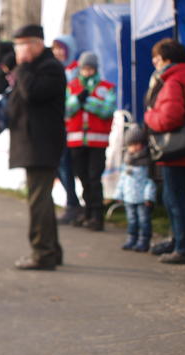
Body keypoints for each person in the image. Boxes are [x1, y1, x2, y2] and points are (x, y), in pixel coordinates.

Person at [0, 24, 65, 270]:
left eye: (22, 46)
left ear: (36, 44)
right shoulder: (35, 67)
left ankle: (42, 253)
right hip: (31, 142)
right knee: (41, 199)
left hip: (41, 143)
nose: (18, 51)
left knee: (39, 201)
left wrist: (23, 67)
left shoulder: (49, 68)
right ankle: (52, 249)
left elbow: (32, 93)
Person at [145, 38, 185, 265]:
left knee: (174, 200)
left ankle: (183, 247)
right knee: (174, 199)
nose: (154, 63)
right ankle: (177, 241)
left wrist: (149, 116)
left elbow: (170, 118)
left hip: (176, 151)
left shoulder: (172, 81)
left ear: (167, 59)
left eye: (157, 58)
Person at [66, 51, 116, 231]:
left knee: (95, 178)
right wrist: (77, 100)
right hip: (76, 141)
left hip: (97, 142)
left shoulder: (106, 87)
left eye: (90, 68)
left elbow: (107, 110)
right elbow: (67, 109)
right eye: (84, 68)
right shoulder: (72, 87)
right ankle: (86, 212)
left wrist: (86, 101)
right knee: (83, 178)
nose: (87, 72)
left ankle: (97, 215)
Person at [52, 35, 81, 225]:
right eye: (55, 48)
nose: (58, 52)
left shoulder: (76, 71)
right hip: (58, 124)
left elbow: (72, 101)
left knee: (67, 165)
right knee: (59, 165)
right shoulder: (55, 70)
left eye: (61, 48)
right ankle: (73, 203)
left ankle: (74, 205)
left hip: (74, 127)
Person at [113, 124, 156, 252]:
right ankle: (132, 238)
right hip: (129, 197)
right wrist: (119, 194)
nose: (136, 147)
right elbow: (122, 179)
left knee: (144, 220)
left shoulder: (147, 162)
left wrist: (149, 197)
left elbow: (150, 181)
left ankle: (144, 241)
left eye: (139, 143)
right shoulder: (126, 161)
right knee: (132, 220)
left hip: (142, 199)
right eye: (133, 144)